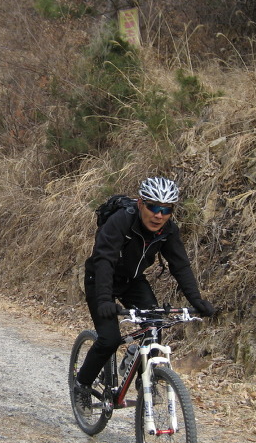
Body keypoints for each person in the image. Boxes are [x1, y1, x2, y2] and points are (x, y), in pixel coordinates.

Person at [73, 177, 214, 414]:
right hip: (100, 279)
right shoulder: (121, 221)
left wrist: (196, 301)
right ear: (140, 204)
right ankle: (82, 386)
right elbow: (104, 260)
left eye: (166, 209)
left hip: (133, 281)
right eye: (153, 207)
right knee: (109, 339)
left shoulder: (167, 230)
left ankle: (145, 377)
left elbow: (180, 266)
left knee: (155, 326)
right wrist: (105, 300)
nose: (159, 215)